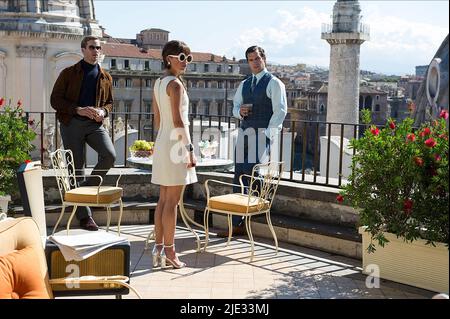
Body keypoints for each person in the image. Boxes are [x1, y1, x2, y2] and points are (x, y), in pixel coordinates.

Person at [217, 45, 287, 237]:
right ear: (248, 62)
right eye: (251, 60)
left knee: (251, 170)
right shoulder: (245, 84)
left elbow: (280, 111)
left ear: (264, 59)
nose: (254, 62)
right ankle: (237, 222)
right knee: (238, 173)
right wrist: (239, 112)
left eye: (257, 58)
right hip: (244, 132)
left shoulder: (274, 83)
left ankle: (260, 204)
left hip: (262, 132)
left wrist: (268, 135)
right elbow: (235, 106)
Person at [50, 36, 116, 231]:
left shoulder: (106, 76)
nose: (96, 51)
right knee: (76, 169)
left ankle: (84, 188)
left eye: (98, 48)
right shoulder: (69, 73)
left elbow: (110, 103)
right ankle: (85, 217)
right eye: (92, 47)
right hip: (72, 123)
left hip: (95, 125)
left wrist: (103, 112)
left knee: (109, 155)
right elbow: (55, 100)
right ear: (83, 50)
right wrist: (77, 109)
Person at [151, 40, 197, 269]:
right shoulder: (176, 85)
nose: (185, 62)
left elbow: (158, 119)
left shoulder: (159, 82)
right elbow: (179, 121)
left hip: (163, 141)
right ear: (168, 57)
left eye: (188, 58)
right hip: (176, 144)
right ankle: (170, 252)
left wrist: (162, 143)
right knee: (172, 203)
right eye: (181, 57)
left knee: (163, 200)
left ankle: (158, 249)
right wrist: (189, 150)